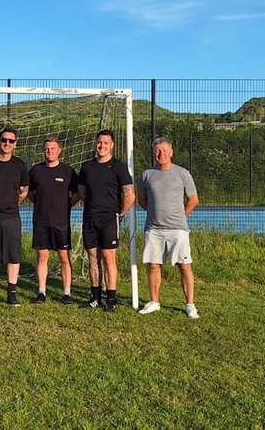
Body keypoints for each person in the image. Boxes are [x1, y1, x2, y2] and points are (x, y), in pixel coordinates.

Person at [137, 138, 201, 319]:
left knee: (185, 266)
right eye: (157, 151)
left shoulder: (182, 173)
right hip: (154, 229)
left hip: (178, 229)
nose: (161, 154)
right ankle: (154, 302)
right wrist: (155, 213)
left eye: (164, 150)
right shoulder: (147, 174)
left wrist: (180, 216)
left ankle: (190, 305)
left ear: (171, 152)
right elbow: (142, 199)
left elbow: (193, 200)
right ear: (153, 153)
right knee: (154, 266)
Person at [76, 129, 134, 312]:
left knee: (109, 258)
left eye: (106, 143)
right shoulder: (87, 167)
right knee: (93, 257)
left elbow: (129, 194)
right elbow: (81, 192)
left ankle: (111, 298)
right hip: (90, 218)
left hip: (109, 219)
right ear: (96, 144)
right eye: (99, 142)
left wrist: (120, 212)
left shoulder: (119, 167)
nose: (102, 146)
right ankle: (95, 297)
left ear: (112, 145)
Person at [28, 137, 79, 305]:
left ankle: (66, 293)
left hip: (61, 222)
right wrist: (39, 202)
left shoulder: (68, 171)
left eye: (52, 148)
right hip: (41, 221)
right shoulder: (36, 170)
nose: (49, 151)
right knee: (42, 256)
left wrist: (66, 206)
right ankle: (41, 292)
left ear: (59, 151)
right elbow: (29, 191)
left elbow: (77, 193)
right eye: (47, 149)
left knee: (64, 257)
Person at [0, 127, 29, 306]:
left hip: (11, 217)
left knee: (13, 256)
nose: (7, 143)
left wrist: (10, 202)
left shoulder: (20, 165)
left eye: (11, 141)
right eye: (4, 140)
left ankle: (12, 293)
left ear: (15, 144)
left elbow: (24, 191)